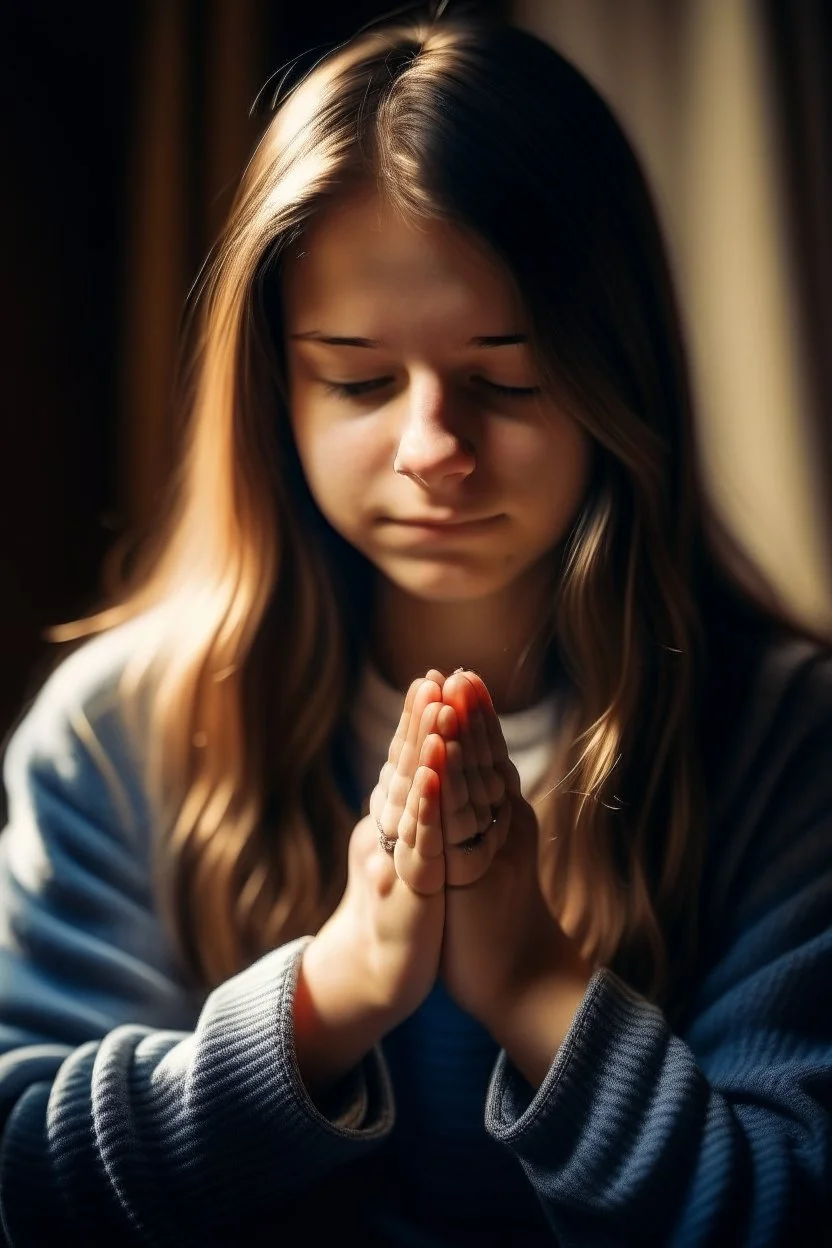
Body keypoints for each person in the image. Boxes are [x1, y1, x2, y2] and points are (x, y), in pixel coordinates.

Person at [0, 8, 830, 1246]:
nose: (433, 450)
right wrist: (330, 997)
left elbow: (783, 1204)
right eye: (358, 378)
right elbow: (28, 1176)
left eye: (506, 378)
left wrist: (537, 987)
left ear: (621, 377)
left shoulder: (782, 738)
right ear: (273, 386)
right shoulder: (121, 733)